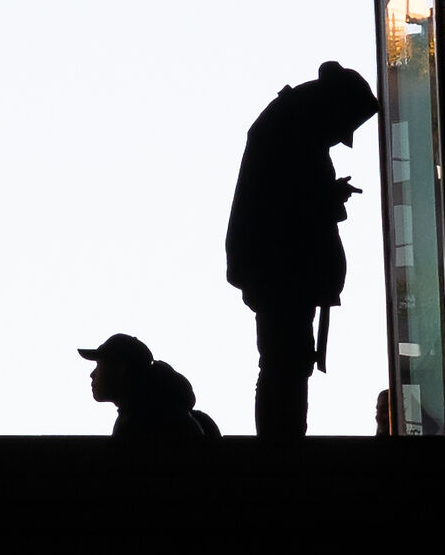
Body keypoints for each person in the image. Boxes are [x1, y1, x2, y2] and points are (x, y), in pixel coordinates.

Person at [225, 61, 380, 444]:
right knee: (286, 363)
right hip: (283, 275)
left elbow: (283, 203)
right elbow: (285, 210)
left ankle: (283, 438)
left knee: (284, 362)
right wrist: (327, 198)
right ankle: (285, 443)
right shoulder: (290, 135)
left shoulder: (288, 128)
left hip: (280, 274)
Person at [79, 333, 217, 441]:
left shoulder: (138, 425)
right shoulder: (170, 414)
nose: (92, 374)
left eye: (98, 365)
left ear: (121, 369)